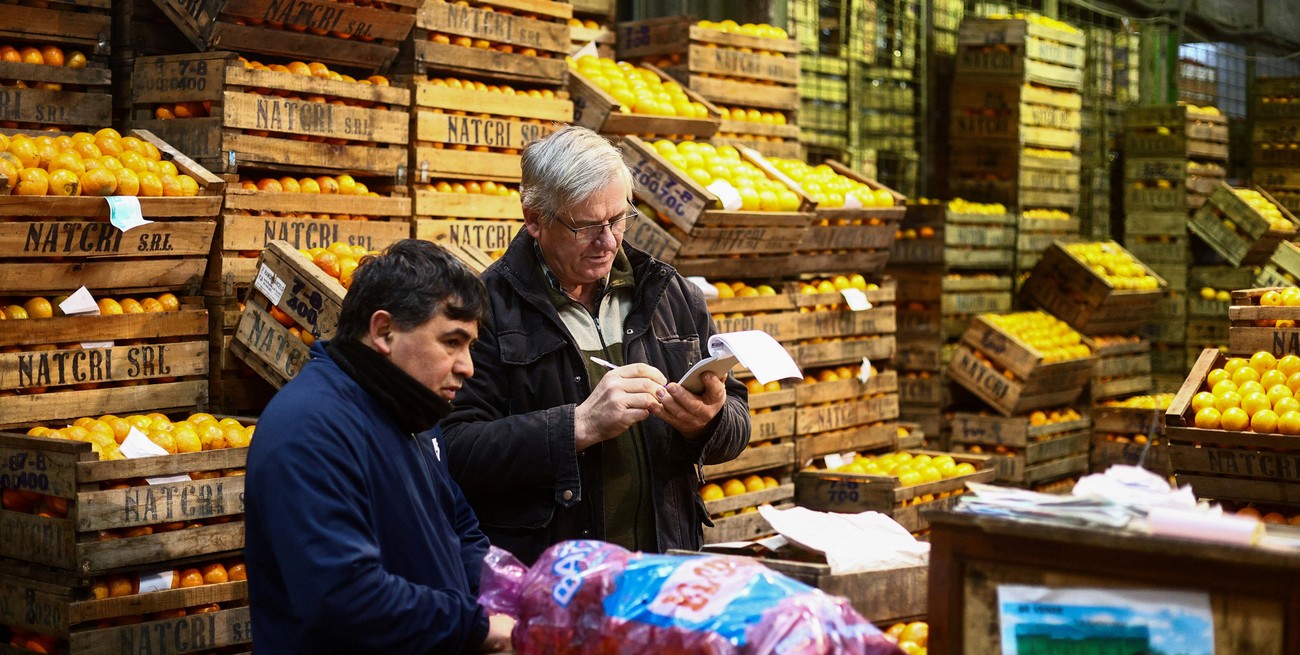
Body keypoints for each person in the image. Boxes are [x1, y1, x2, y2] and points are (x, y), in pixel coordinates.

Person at [442, 125, 751, 565]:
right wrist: (576, 426)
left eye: (618, 219)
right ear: (534, 219)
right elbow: (454, 450)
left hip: (664, 572)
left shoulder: (670, 294)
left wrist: (707, 423)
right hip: (554, 584)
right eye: (586, 226)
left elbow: (738, 421)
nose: (608, 241)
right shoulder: (486, 309)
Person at [245, 240, 515, 654]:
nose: (468, 366)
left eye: (470, 346)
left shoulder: (414, 411)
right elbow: (343, 598)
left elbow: (458, 528)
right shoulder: (310, 428)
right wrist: (475, 627)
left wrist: (521, 593)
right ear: (384, 332)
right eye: (452, 342)